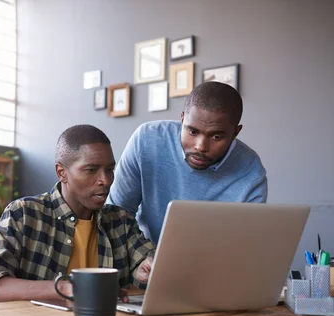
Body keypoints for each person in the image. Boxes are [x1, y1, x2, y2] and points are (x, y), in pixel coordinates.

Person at [0, 124, 155, 304]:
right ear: (61, 172)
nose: (105, 180)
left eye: (109, 169)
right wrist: (64, 289)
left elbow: (145, 264)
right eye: (91, 170)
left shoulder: (120, 221)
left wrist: (146, 269)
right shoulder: (24, 215)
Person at [107, 82, 267, 283]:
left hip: (214, 280)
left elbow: (244, 247)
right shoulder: (146, 140)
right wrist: (139, 258)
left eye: (216, 136)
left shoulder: (251, 172)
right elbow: (116, 216)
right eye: (192, 131)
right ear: (182, 119)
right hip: (146, 272)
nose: (200, 146)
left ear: (235, 132)